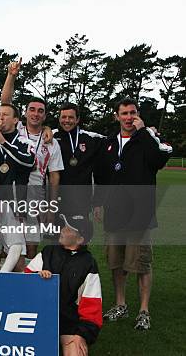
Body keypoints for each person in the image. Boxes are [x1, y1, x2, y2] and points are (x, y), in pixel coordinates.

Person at [93, 98, 172, 330]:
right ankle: (121, 305)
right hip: (114, 215)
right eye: (124, 113)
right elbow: (102, 176)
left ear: (138, 115)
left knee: (141, 264)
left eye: (133, 113)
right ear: (116, 116)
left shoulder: (147, 139)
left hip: (140, 215)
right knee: (117, 264)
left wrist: (144, 132)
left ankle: (143, 310)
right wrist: (98, 203)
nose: (129, 117)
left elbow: (159, 160)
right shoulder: (108, 143)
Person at [1, 60, 63, 259]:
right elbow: (5, 103)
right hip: (10, 193)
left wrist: (51, 208)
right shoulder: (15, 131)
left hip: (35, 197)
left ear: (45, 116)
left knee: (30, 247)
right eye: (32, 110)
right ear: (25, 113)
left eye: (40, 111)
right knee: (6, 245)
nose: (35, 114)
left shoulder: (51, 142)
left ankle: (26, 285)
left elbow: (54, 178)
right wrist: (11, 75)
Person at [25, 214, 102, 355]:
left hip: (68, 323)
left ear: (80, 239)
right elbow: (24, 284)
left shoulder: (88, 264)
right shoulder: (48, 252)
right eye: (64, 226)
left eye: (68, 229)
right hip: (37, 318)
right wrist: (37, 278)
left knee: (76, 352)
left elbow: (92, 306)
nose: (62, 230)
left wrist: (81, 335)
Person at [53, 103, 105, 218]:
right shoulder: (51, 136)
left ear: (77, 120)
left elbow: (116, 139)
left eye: (71, 117)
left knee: (81, 235)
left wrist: (146, 131)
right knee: (58, 235)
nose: (67, 120)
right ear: (59, 118)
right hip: (56, 200)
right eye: (63, 117)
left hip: (81, 202)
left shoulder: (91, 138)